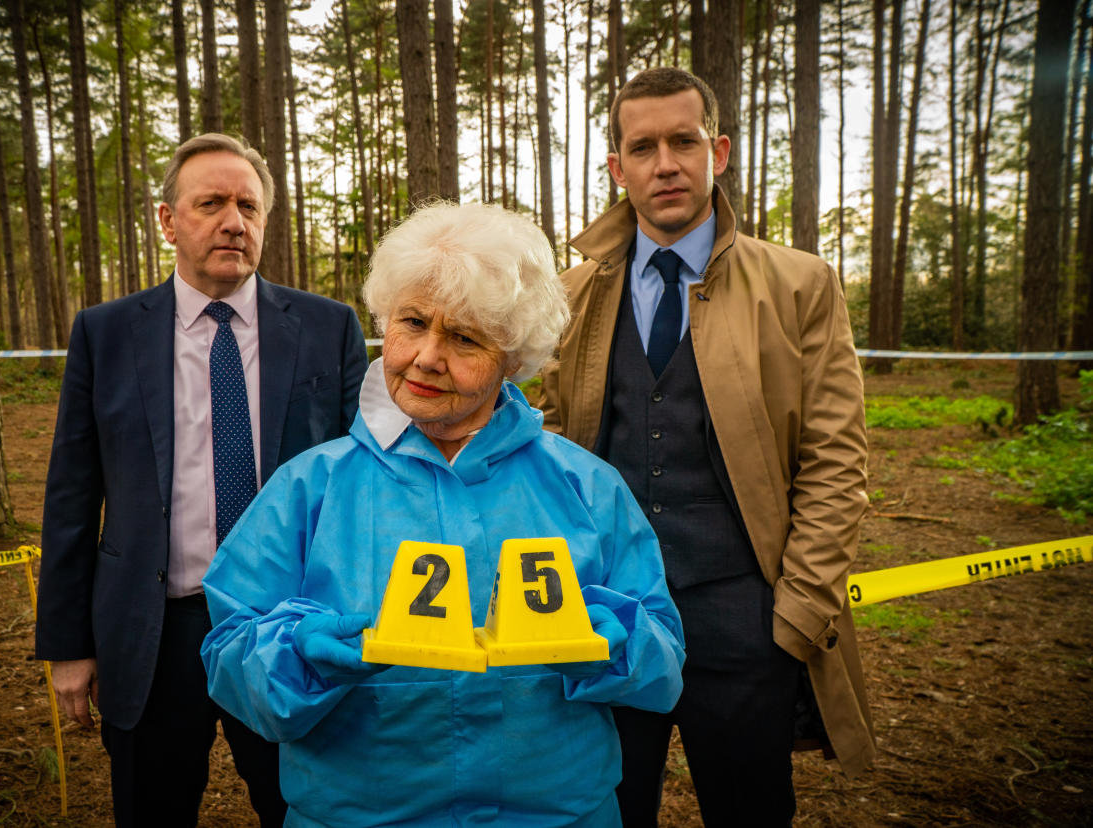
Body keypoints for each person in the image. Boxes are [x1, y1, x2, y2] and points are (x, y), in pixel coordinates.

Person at [200, 201, 685, 827]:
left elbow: (665, 664)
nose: (427, 356)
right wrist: (301, 653)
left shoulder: (587, 486)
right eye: (413, 322)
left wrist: (609, 640)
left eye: (464, 338)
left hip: (556, 816)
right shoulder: (308, 488)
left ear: (513, 357)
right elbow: (230, 656)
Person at [538, 67, 876, 827]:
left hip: (745, 613)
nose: (666, 164)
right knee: (607, 809)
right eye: (643, 146)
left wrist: (796, 611)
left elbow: (835, 459)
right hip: (606, 610)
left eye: (684, 141)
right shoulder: (569, 294)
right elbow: (548, 439)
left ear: (717, 151)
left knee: (749, 812)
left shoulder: (799, 284)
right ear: (616, 168)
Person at [35, 133, 367, 827]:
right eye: (210, 202)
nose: (233, 221)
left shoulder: (327, 327)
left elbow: (360, 482)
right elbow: (72, 494)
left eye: (248, 205)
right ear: (167, 220)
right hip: (155, 630)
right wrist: (67, 644)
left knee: (305, 809)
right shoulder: (107, 333)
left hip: (288, 626)